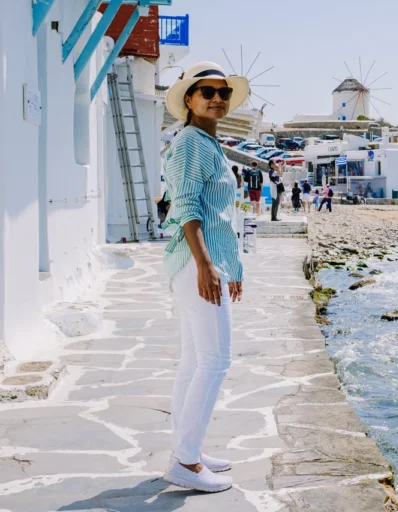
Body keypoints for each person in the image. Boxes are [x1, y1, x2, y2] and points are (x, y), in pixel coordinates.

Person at [160, 60, 249, 493]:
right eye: (207, 91)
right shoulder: (193, 144)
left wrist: (231, 267)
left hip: (204, 263)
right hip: (197, 264)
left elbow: (220, 216)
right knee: (214, 362)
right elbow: (188, 208)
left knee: (194, 361)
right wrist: (206, 265)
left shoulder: (206, 142)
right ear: (189, 100)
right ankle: (186, 462)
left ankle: (186, 446)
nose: (217, 98)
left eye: (223, 92)